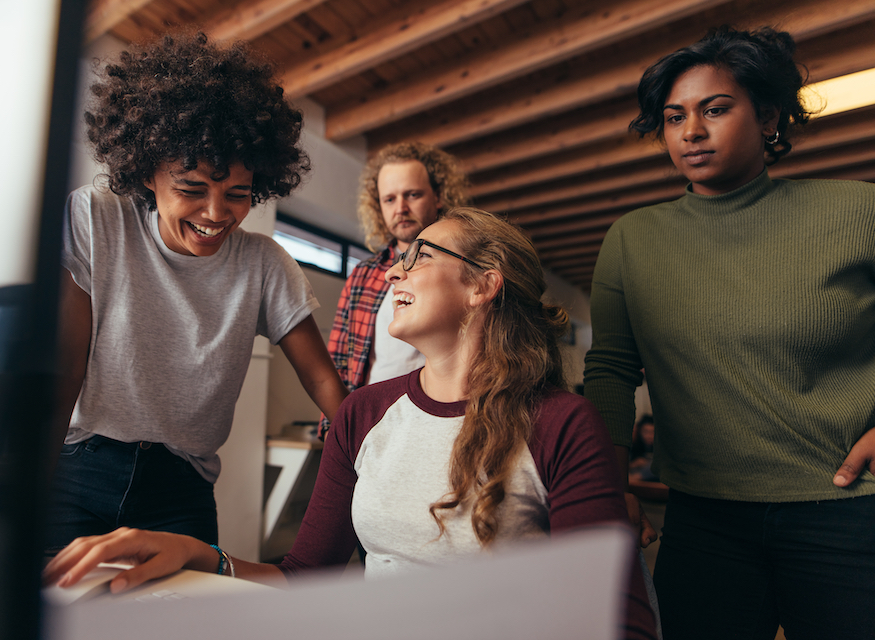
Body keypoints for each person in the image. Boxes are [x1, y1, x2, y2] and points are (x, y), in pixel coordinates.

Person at [45, 207, 658, 639]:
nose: (394, 272)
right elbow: (303, 576)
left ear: (483, 285)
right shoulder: (363, 414)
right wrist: (199, 554)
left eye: (420, 256)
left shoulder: (560, 423)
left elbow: (614, 619)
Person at [583, 26, 875, 640]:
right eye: (673, 117)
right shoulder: (633, 239)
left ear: (768, 116)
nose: (691, 131)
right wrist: (610, 493)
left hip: (849, 510)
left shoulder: (855, 213)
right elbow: (610, 372)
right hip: (702, 520)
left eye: (715, 109)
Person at [46, 32, 348, 552]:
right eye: (191, 189)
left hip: (180, 485)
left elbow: (323, 379)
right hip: (79, 468)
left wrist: (371, 460)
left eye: (237, 195)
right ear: (146, 172)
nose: (216, 214)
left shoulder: (263, 262)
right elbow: (67, 366)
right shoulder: (97, 216)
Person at [319, 142, 470, 438]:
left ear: (438, 196)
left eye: (412, 195)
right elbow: (338, 361)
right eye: (389, 199)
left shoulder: (464, 267)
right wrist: (335, 434)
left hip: (450, 425)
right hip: (375, 428)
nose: (400, 208)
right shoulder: (364, 275)